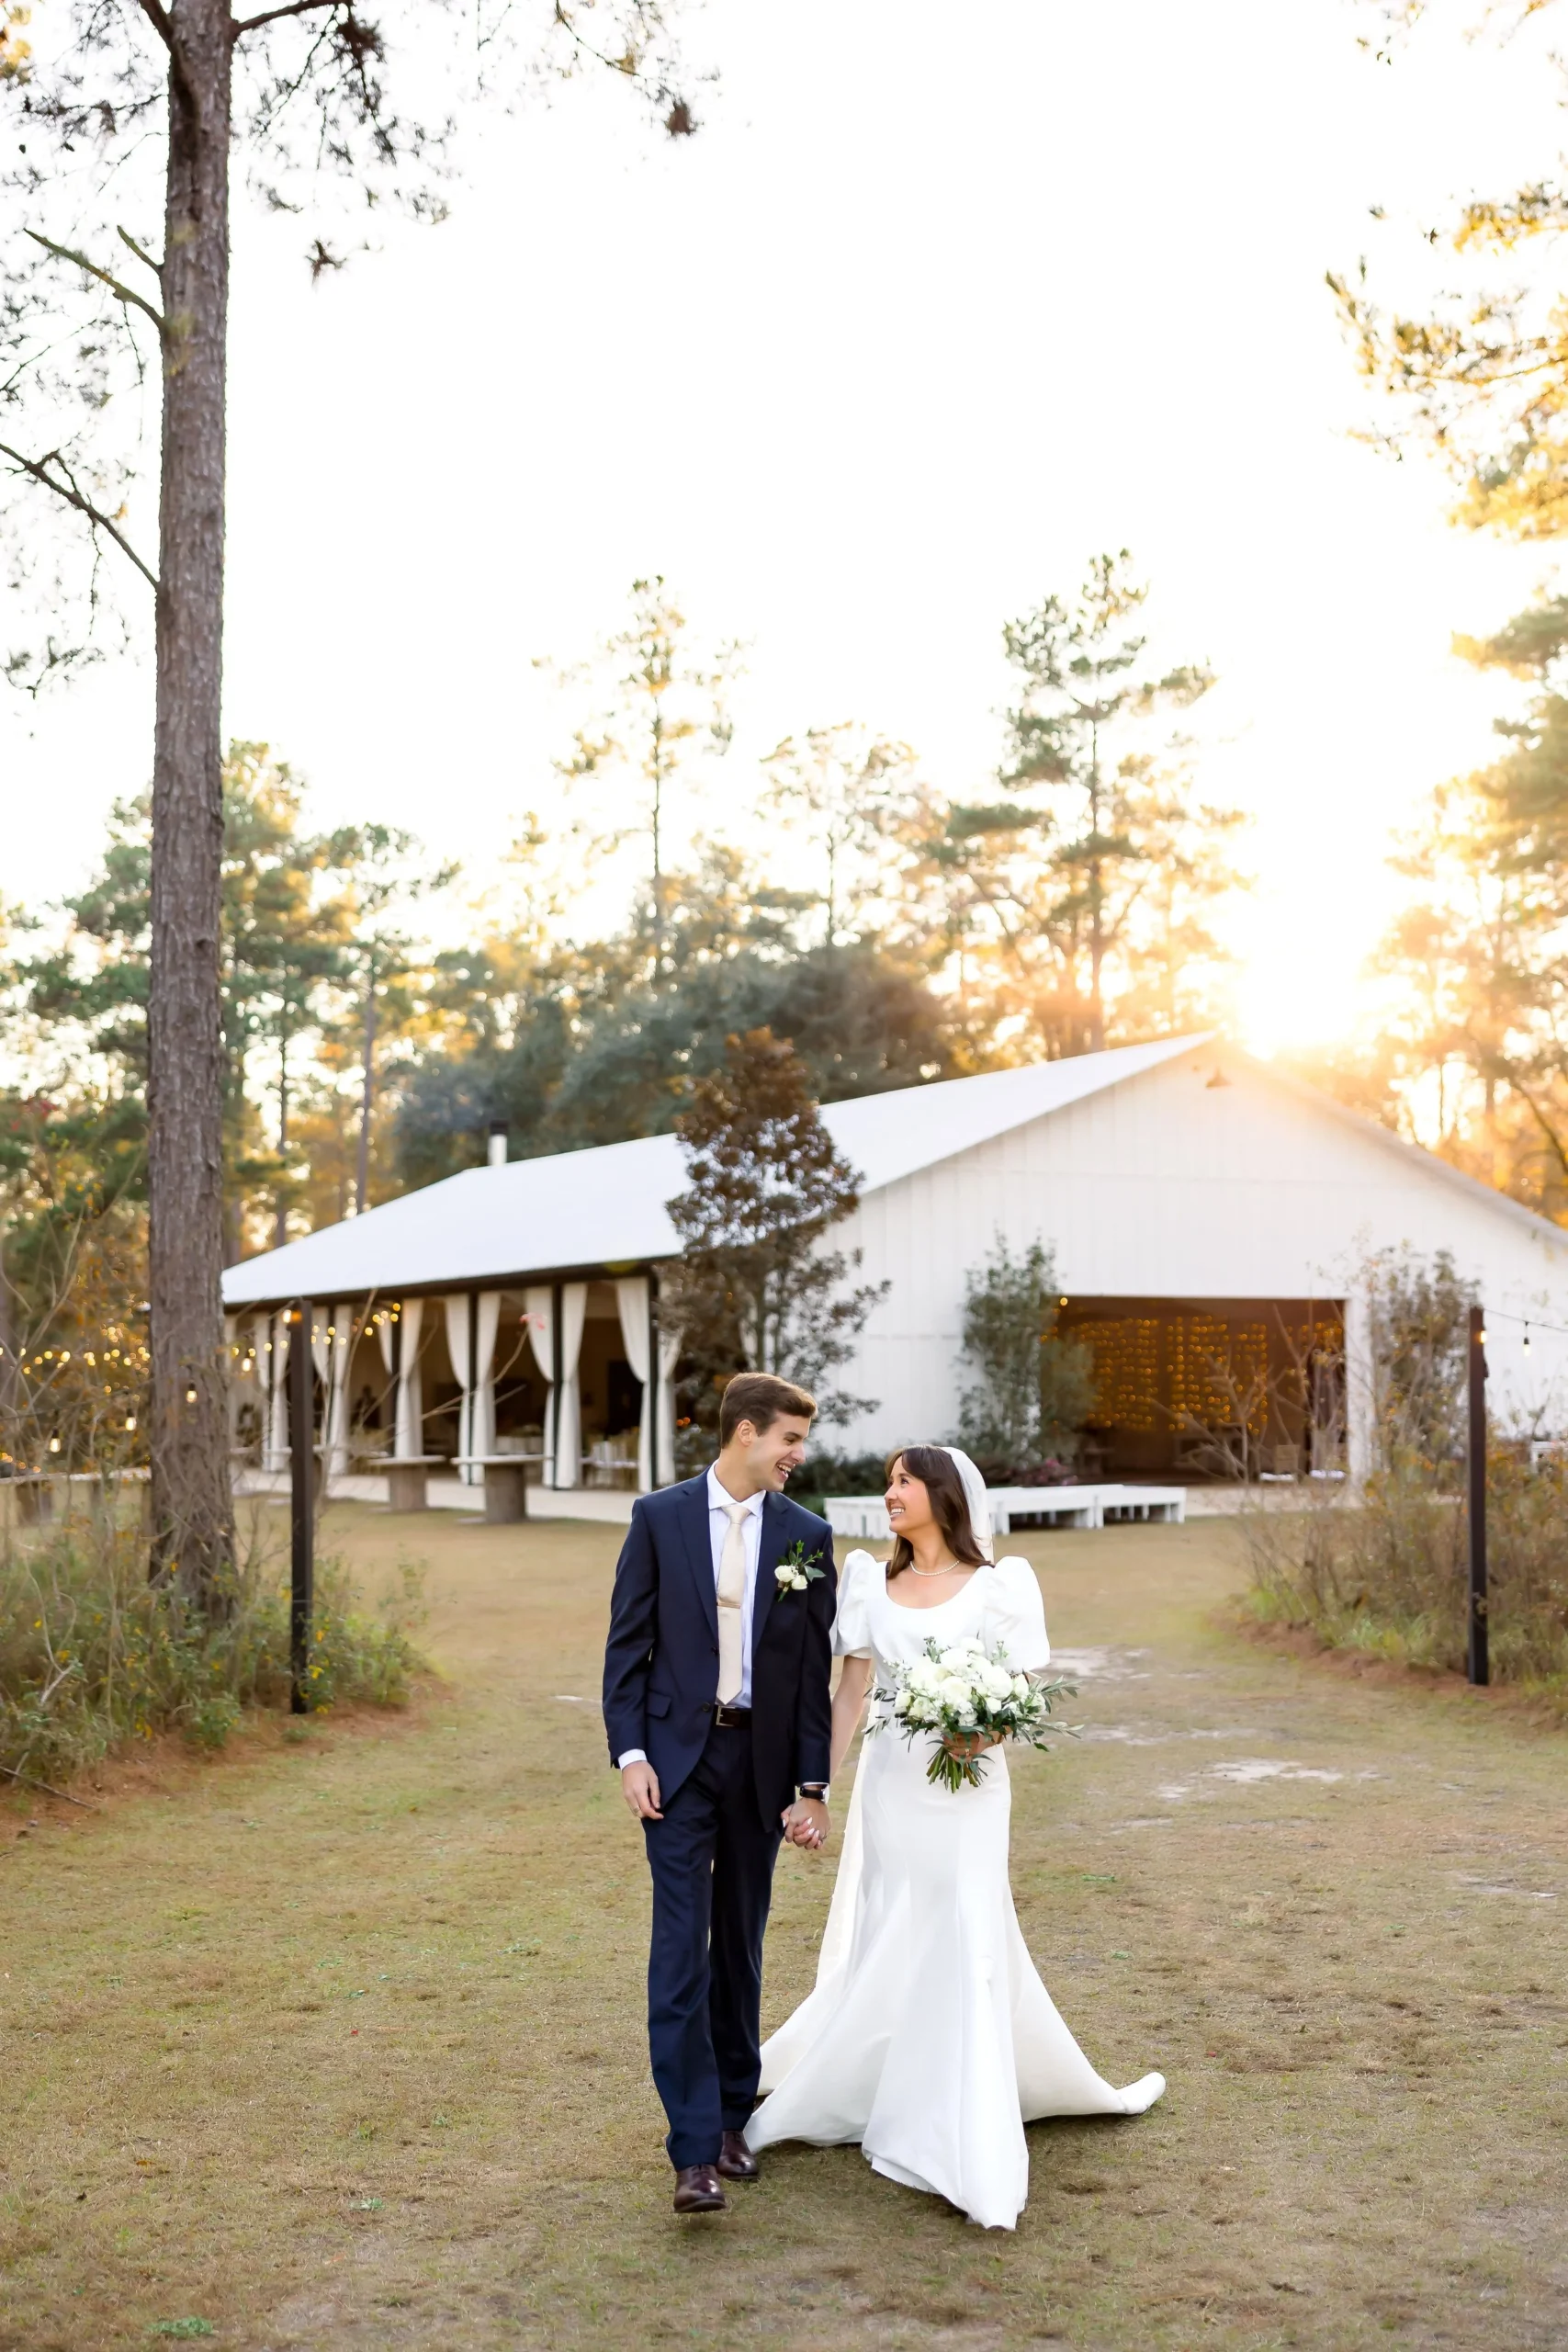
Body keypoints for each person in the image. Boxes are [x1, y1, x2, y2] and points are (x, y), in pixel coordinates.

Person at [745, 1442, 1164, 2231]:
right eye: (889, 1481)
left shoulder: (998, 1588)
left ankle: (960, 2118)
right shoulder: (872, 1581)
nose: (890, 1492)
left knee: (965, 1925)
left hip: (970, 1791)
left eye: (904, 1480)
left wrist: (988, 1735)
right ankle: (879, 2076)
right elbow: (850, 1695)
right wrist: (817, 1792)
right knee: (893, 1924)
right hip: (892, 1786)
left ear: (942, 1495)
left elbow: (1024, 1695)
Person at [602, 1372, 837, 2215]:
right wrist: (631, 1753)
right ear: (744, 1433)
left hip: (761, 1770)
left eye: (800, 1442)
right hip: (675, 1765)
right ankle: (693, 2150)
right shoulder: (658, 1518)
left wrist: (810, 1785)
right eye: (788, 1440)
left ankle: (736, 2116)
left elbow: (811, 1675)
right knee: (680, 1949)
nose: (797, 1456)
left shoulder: (807, 1534)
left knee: (739, 1943)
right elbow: (626, 1647)